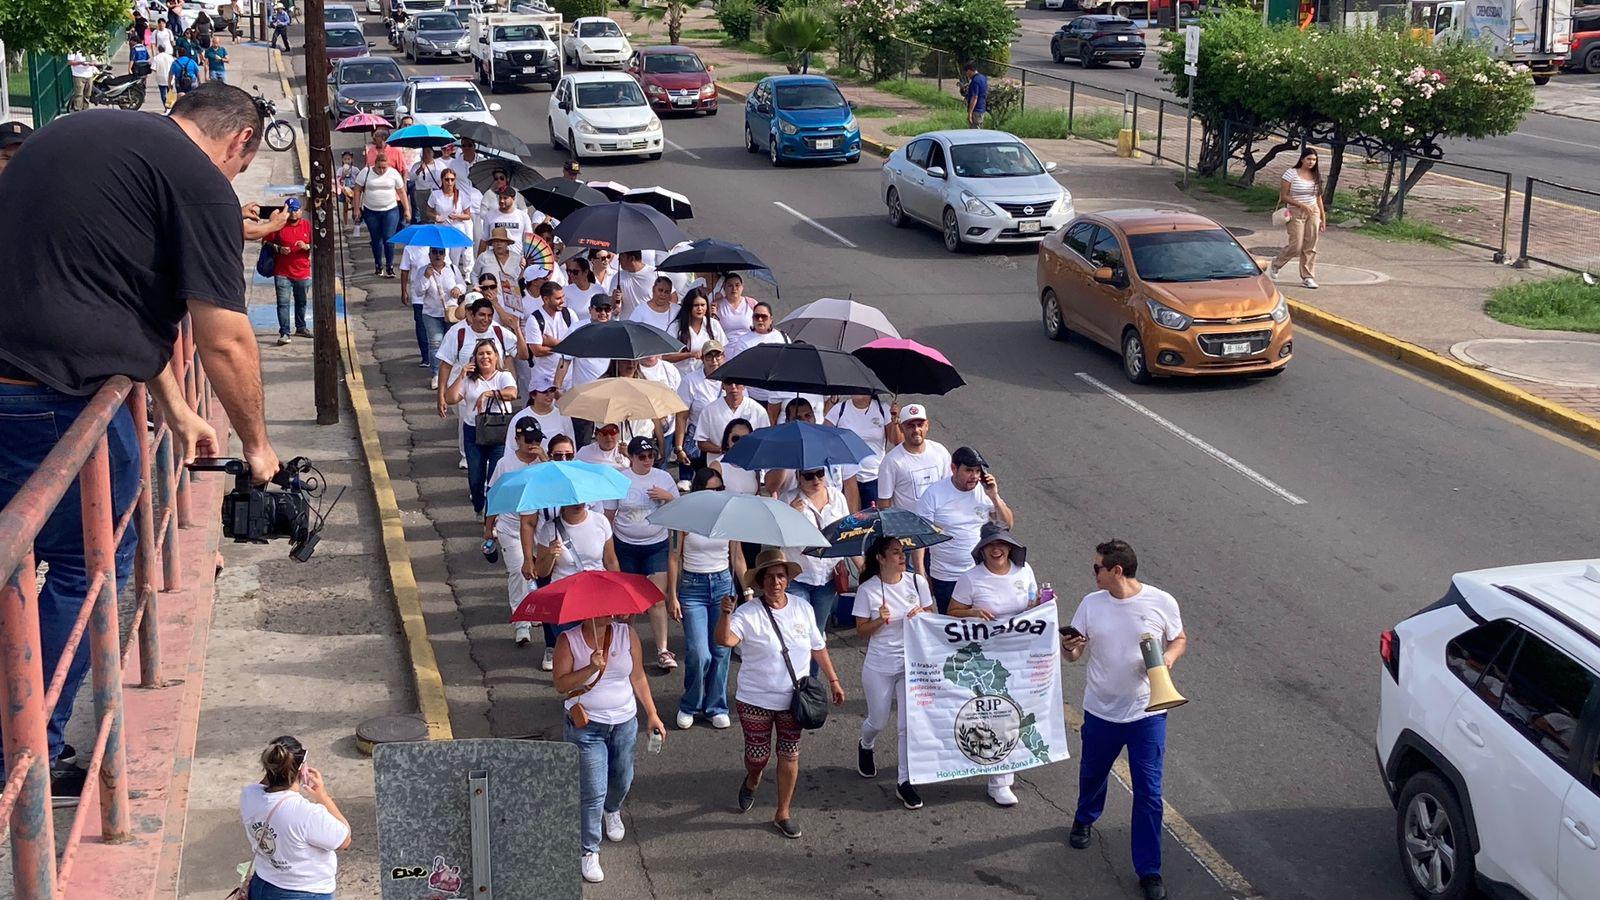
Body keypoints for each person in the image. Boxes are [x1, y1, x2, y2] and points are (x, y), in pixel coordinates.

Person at [0, 84, 278, 804]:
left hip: (20, 372)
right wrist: (258, 446)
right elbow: (224, 338)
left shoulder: (79, 131)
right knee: (87, 563)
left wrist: (176, 408)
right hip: (47, 396)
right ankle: (24, 750)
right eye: (241, 167)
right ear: (240, 142)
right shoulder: (200, 181)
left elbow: (97, 285)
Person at [1062, 540, 1187, 900]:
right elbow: (1075, 654)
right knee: (1093, 773)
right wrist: (1071, 647)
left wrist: (1168, 659)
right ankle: (1085, 817)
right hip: (1101, 710)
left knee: (1149, 792)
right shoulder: (1091, 603)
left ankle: (1149, 870)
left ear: (1117, 570)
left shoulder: (1161, 601)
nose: (1094, 573)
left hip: (1148, 713)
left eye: (1097, 568)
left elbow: (1179, 638)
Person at [715, 548, 845, 839]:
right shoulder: (746, 613)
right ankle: (753, 778)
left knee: (790, 753)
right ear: (761, 582)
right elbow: (724, 640)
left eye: (781, 576)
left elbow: (818, 646)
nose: (776, 582)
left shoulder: (803, 608)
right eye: (770, 577)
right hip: (755, 699)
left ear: (788, 579)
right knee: (757, 758)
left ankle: (783, 812)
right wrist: (725, 614)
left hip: (793, 699)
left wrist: (834, 680)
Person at [552, 609, 667, 884]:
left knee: (623, 779)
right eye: (599, 611)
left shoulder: (627, 634)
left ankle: (612, 809)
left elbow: (638, 676)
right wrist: (590, 668)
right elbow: (560, 684)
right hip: (587, 729)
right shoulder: (568, 641)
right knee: (593, 791)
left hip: (625, 723)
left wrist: (652, 713)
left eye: (608, 610)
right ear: (585, 612)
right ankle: (589, 850)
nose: (607, 615)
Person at [947, 524, 1038, 807]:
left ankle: (1003, 772)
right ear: (982, 549)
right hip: (986, 660)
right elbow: (952, 612)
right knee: (998, 713)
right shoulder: (970, 579)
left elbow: (1034, 604)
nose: (996, 550)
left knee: (1015, 712)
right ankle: (999, 781)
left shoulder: (1025, 571)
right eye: (990, 545)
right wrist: (973, 612)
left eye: (1001, 544)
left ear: (1009, 547)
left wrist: (1044, 604)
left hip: (1020, 655)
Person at [853, 535, 934, 810]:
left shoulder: (917, 582)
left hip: (911, 665)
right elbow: (861, 630)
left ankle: (904, 781)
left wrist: (921, 614)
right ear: (881, 558)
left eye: (903, 552)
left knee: (906, 725)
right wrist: (879, 620)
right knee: (878, 720)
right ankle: (866, 743)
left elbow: (931, 615)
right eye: (896, 552)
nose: (903, 557)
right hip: (879, 666)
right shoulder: (868, 590)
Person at [665, 468, 743, 731]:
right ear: (699, 491)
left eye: (720, 489)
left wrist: (748, 591)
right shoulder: (683, 517)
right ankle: (691, 704)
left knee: (721, 650)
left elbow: (737, 557)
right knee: (699, 653)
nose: (717, 494)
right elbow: (673, 557)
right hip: (693, 587)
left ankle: (716, 706)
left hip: (722, 584)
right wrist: (672, 595)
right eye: (712, 489)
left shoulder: (730, 517)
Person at [605, 437, 681, 670]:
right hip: (625, 545)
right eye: (642, 456)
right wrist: (608, 552)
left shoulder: (664, 478)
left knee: (656, 598)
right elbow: (609, 517)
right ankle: (624, 648)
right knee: (628, 602)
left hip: (656, 544)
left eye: (651, 456)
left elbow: (680, 511)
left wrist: (668, 498)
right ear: (631, 457)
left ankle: (663, 650)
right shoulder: (620, 479)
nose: (648, 460)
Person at [919, 446, 1013, 613]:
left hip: (980, 572)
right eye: (969, 470)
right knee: (951, 623)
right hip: (946, 576)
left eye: (977, 471)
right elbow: (920, 537)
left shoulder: (984, 492)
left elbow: (1007, 525)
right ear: (954, 468)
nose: (974, 476)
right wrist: (921, 574)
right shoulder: (933, 494)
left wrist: (994, 497)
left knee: (984, 621)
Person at [486, 419, 547, 651]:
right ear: (517, 440)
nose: (532, 444)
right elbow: (494, 495)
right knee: (518, 572)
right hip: (511, 527)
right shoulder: (505, 464)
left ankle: (534, 609)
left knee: (539, 572)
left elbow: (558, 485)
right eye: (528, 440)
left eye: (537, 439)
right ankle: (521, 623)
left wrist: (545, 460)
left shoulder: (544, 462)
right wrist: (488, 527)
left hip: (540, 528)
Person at [782, 467, 850, 659]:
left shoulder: (837, 497)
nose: (816, 480)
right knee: (800, 632)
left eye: (820, 474)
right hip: (798, 576)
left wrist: (862, 566)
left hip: (828, 578)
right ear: (798, 477)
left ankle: (811, 676)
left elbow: (847, 534)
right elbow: (779, 539)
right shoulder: (788, 499)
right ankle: (797, 674)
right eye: (809, 476)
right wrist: (789, 515)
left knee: (817, 635)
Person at [444, 339, 518, 515]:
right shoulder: (469, 380)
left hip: (498, 430)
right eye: (481, 354)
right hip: (474, 431)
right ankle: (479, 506)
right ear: (475, 358)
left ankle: (490, 516)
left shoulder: (503, 376)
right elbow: (450, 398)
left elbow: (512, 393)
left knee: (495, 477)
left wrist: (488, 394)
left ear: (496, 356)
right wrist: (461, 376)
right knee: (476, 478)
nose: (485, 357)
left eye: (489, 353)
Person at [438, 295, 517, 406]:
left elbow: (516, 355)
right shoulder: (456, 332)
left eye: (488, 315)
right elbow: (446, 365)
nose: (485, 319)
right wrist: (441, 395)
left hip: (497, 396)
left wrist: (510, 383)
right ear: (470, 313)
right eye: (481, 314)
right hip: (463, 397)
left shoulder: (498, 330)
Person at [825, 395, 899, 509]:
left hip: (875, 478)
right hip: (846, 479)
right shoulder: (839, 409)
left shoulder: (883, 409)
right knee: (849, 518)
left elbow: (896, 441)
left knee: (873, 517)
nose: (857, 391)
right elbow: (824, 438)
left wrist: (895, 420)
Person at [876, 403, 949, 519]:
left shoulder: (940, 451)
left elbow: (949, 486)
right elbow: (884, 502)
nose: (916, 430)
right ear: (901, 428)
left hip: (939, 523)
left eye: (920, 425)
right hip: (908, 526)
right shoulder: (891, 461)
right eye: (910, 426)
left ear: (927, 425)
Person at [1269, 148, 1326, 290]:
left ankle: (1307, 276)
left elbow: (1318, 198)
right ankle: (1276, 263)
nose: (1311, 162)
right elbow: (1284, 196)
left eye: (1314, 160)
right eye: (1309, 159)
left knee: (1310, 244)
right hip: (1295, 211)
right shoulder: (1291, 174)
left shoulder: (1316, 175)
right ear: (1302, 159)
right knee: (1297, 245)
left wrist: (1323, 218)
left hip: (1313, 211)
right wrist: (1301, 205)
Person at [723, 301, 786, 419]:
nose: (760, 320)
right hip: (754, 397)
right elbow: (738, 371)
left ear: (771, 319)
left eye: (764, 317)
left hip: (779, 396)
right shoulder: (743, 341)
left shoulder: (782, 338)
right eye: (756, 316)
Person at [412, 248, 465, 386]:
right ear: (429, 255)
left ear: (445, 255)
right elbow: (418, 292)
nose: (438, 255)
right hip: (431, 313)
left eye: (441, 252)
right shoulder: (423, 271)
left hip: (452, 313)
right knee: (436, 343)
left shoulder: (452, 269)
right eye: (434, 252)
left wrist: (458, 289)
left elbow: (463, 284)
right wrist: (426, 277)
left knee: (453, 343)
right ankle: (436, 374)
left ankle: (453, 373)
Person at [351, 151, 409, 277]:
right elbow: (357, 190)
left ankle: (390, 266)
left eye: (384, 168)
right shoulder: (366, 172)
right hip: (371, 211)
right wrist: (356, 208)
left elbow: (401, 192)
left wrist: (407, 209)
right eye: (379, 167)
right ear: (375, 164)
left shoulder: (393, 173)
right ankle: (378, 265)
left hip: (390, 210)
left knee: (389, 238)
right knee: (376, 239)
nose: (382, 170)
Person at [672, 341, 725, 472]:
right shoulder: (690, 381)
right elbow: (682, 416)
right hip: (699, 440)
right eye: (709, 356)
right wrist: (679, 448)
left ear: (723, 357)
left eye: (717, 356)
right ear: (702, 359)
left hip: (724, 438)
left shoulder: (732, 379)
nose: (714, 361)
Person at [266, 197, 313, 345]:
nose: (293, 213)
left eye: (296, 210)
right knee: (283, 303)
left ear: (301, 211)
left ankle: (301, 327)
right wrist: (279, 248)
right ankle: (284, 332)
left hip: (302, 272)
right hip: (282, 272)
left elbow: (317, 244)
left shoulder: (307, 226)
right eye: (290, 210)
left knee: (301, 302)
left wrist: (306, 246)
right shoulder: (278, 225)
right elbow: (266, 242)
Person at [517, 281, 576, 395]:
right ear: (546, 299)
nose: (562, 301)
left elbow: (577, 345)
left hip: (568, 380)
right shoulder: (534, 319)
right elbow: (537, 351)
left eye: (563, 297)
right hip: (543, 382)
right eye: (558, 298)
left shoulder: (569, 314)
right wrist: (566, 347)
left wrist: (553, 342)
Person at [693, 380, 769, 467]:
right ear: (723, 386)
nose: (733, 387)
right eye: (729, 383)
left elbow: (765, 441)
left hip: (750, 467)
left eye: (737, 383)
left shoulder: (758, 410)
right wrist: (723, 450)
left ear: (744, 385)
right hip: (719, 467)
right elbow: (701, 442)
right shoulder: (709, 410)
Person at [503, 377, 574, 457]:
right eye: (544, 391)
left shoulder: (563, 416)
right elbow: (510, 448)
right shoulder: (519, 417)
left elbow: (572, 446)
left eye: (552, 390)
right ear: (533, 395)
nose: (548, 395)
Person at [427, 168, 478, 271]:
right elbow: (428, 212)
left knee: (455, 259)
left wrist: (458, 216)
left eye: (452, 179)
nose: (449, 182)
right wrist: (436, 217)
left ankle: (454, 275)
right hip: (441, 229)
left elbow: (468, 215)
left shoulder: (461, 195)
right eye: (446, 179)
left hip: (457, 229)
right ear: (442, 180)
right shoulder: (435, 195)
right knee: (443, 256)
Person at [666, 287, 725, 375]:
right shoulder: (676, 326)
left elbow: (722, 352)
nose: (700, 308)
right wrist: (690, 354)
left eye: (703, 305)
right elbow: (666, 356)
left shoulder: (714, 324)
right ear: (688, 306)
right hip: (681, 375)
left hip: (706, 376)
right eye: (696, 305)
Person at [713, 273, 756, 347]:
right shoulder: (717, 305)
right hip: (726, 348)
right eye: (730, 285)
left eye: (737, 285)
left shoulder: (752, 303)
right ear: (724, 287)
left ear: (742, 287)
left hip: (749, 347)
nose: (734, 289)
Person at [612, 251, 656, 318]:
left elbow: (671, 297)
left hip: (648, 322)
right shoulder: (617, 277)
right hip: (626, 322)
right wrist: (614, 299)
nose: (618, 259)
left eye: (621, 257)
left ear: (632, 258)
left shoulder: (655, 274)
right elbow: (615, 310)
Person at [409, 145, 445, 225]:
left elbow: (445, 176)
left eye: (428, 152)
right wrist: (419, 170)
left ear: (433, 153)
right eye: (424, 152)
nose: (426, 155)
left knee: (436, 214)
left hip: (436, 191)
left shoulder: (440, 165)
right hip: (422, 192)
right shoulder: (417, 165)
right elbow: (411, 178)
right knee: (424, 215)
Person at [962, 61, 988, 129]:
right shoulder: (983, 78)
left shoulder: (975, 81)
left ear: (969, 70)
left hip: (976, 110)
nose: (967, 75)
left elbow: (974, 97)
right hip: (982, 108)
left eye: (966, 72)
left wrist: (970, 113)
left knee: (975, 131)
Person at [151, 43, 176, 108]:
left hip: (160, 78)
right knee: (170, 92)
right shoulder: (170, 57)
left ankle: (166, 106)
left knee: (163, 93)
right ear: (165, 49)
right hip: (170, 77)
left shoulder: (156, 58)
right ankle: (170, 106)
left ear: (158, 49)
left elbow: (153, 68)